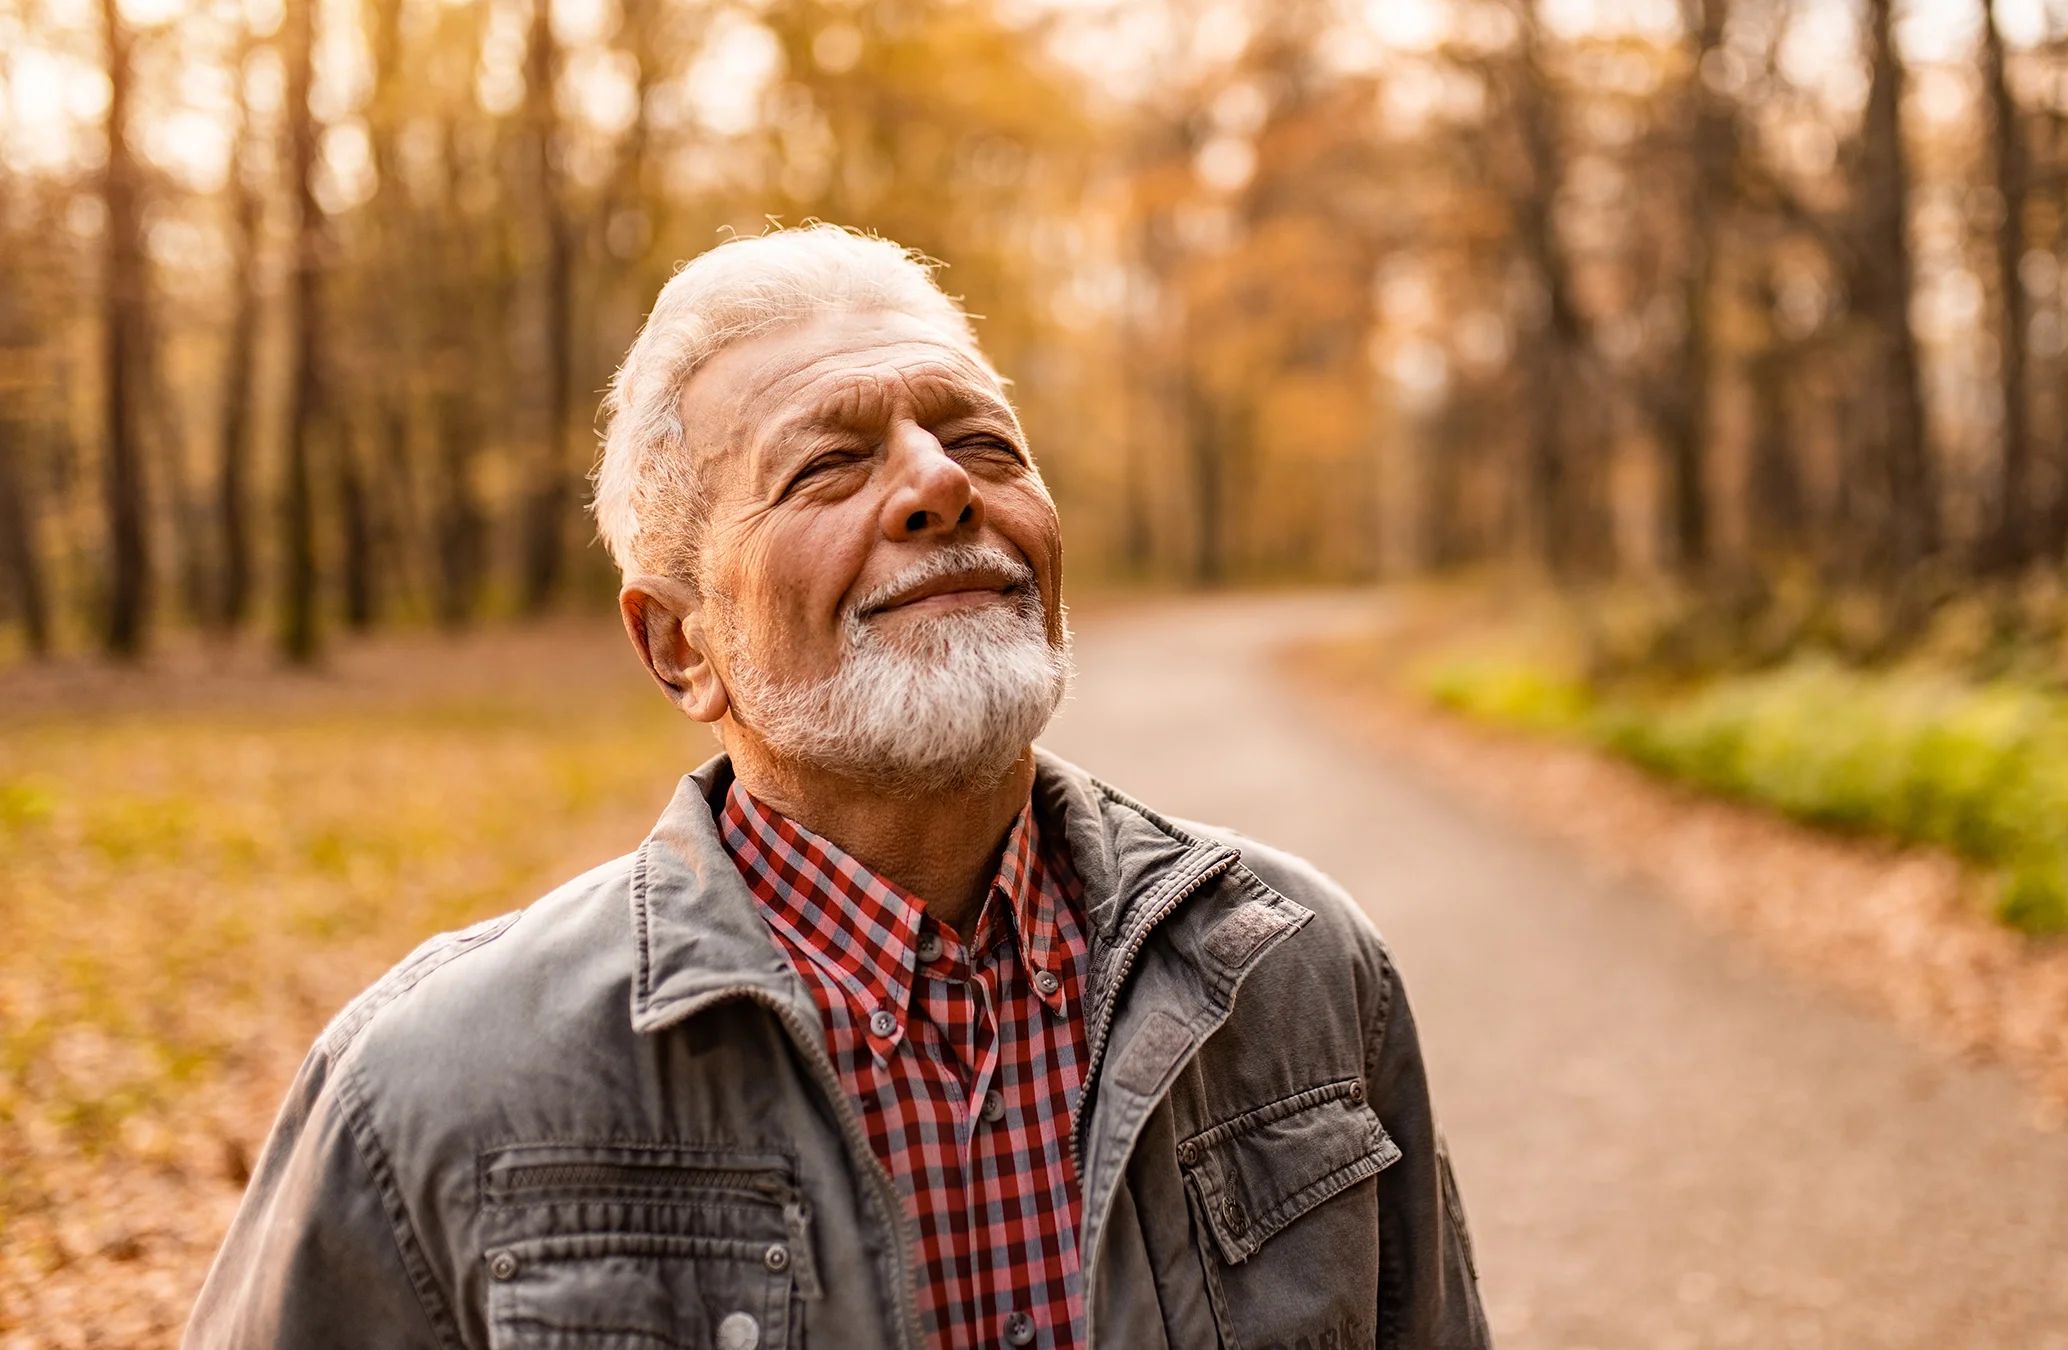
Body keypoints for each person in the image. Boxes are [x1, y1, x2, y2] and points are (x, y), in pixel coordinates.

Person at [184, 224, 1489, 1350]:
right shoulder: (426, 1090)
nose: (938, 485)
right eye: (827, 466)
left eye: (983, 441)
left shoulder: (1303, 973)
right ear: (680, 644)